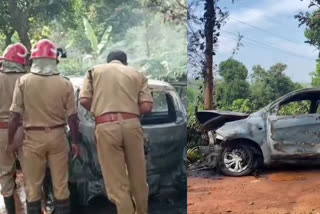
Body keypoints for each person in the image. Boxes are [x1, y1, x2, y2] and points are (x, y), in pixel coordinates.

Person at [8, 39, 80, 214]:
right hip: (58, 136)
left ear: (34, 60)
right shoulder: (65, 83)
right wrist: (76, 142)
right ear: (54, 60)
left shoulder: (24, 82)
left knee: (33, 187)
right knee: (61, 185)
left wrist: (11, 141)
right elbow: (73, 118)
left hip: (33, 138)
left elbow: (15, 115)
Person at [80, 50, 153, 214]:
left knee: (118, 185)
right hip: (133, 126)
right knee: (139, 180)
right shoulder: (138, 74)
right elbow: (147, 106)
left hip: (106, 126)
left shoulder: (94, 72)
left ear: (108, 61)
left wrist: (98, 112)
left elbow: (84, 100)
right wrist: (130, 113)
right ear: (125, 63)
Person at [0, 43, 28, 214]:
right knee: (31, 171)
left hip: (1, 131)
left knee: (4, 172)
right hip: (26, 130)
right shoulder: (28, 78)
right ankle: (36, 207)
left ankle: (11, 211)